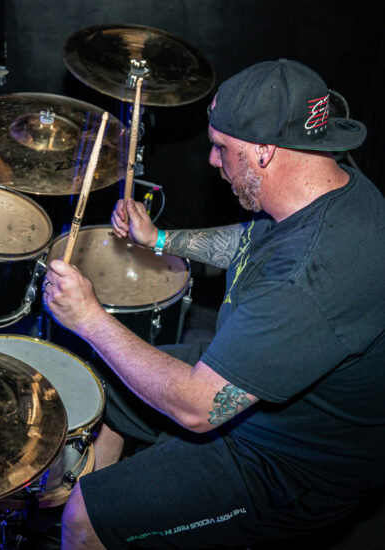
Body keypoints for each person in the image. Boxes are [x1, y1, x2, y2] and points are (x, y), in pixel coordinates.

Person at [42, 59, 385, 549]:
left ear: (264, 151)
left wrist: (89, 318)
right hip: (257, 383)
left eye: (222, 147)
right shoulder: (324, 186)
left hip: (291, 461)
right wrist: (160, 239)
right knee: (105, 384)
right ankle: (116, 502)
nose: (211, 160)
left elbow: (198, 408)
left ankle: (98, 521)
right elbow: (249, 241)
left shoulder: (309, 278)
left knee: (82, 517)